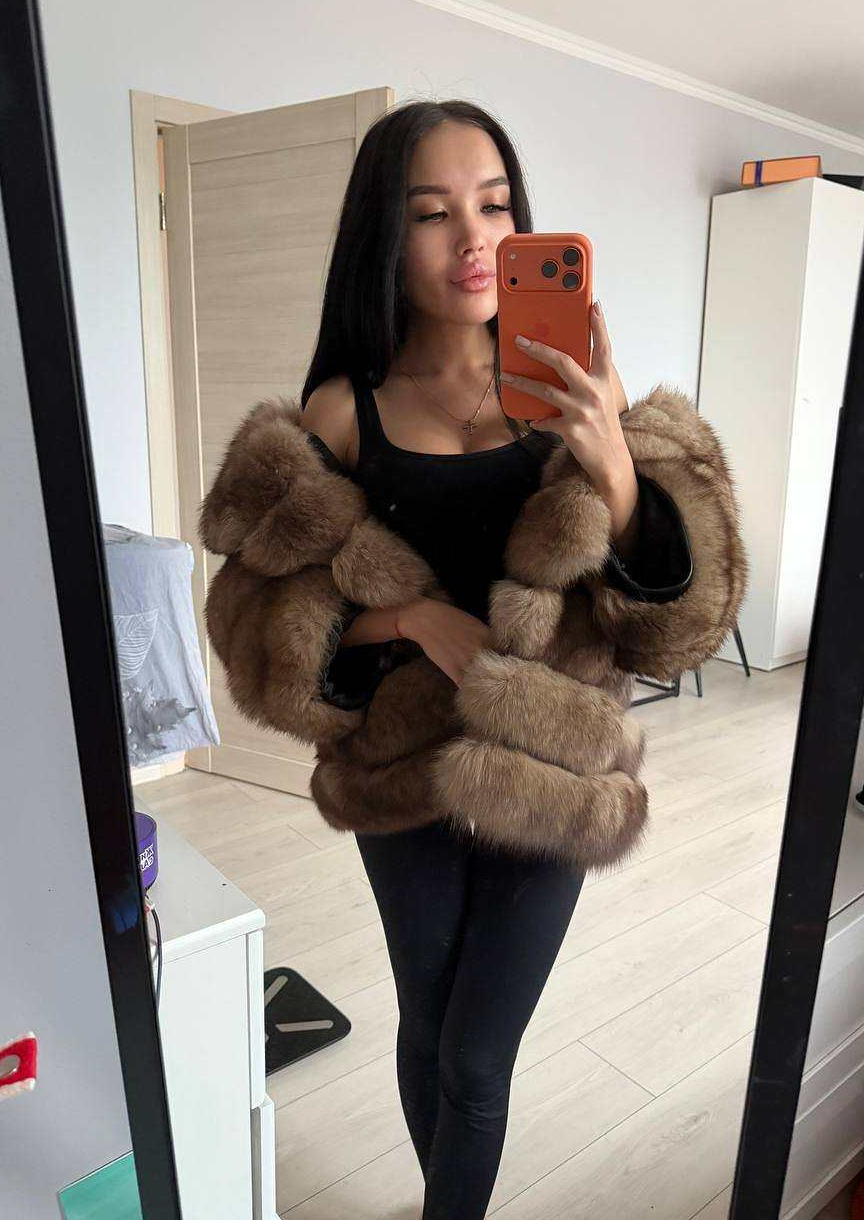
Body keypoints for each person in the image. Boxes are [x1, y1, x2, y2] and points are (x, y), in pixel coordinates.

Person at [199, 99, 747, 1220]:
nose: (474, 239)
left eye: (494, 206)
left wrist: (615, 465)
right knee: (427, 1022)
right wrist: (415, 623)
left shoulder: (577, 389)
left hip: (551, 762)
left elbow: (670, 615)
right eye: (432, 213)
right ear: (384, 236)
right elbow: (263, 628)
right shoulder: (344, 410)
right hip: (400, 765)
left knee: (479, 1054)